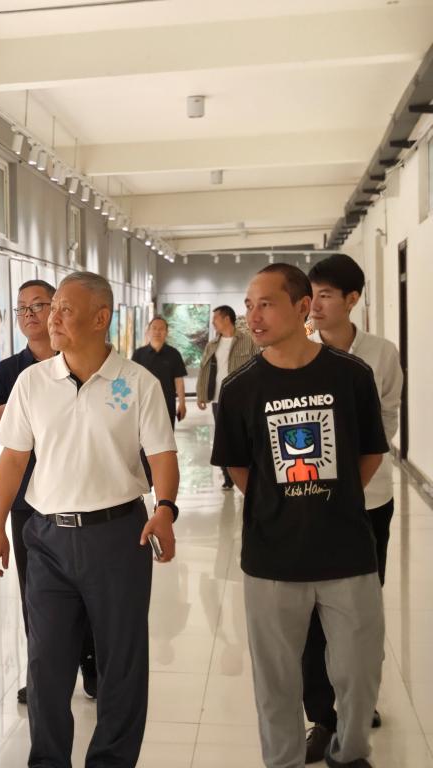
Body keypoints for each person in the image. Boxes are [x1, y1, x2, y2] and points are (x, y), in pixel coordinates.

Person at [0, 271, 179, 768]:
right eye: (50, 310)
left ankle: (111, 760)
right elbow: (12, 459)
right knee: (46, 664)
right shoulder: (32, 382)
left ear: (100, 317)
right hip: (47, 538)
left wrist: (164, 509)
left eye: (63, 309)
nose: (50, 318)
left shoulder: (137, 383)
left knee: (121, 662)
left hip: (119, 536)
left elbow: (162, 455)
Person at [211, 264, 387, 768]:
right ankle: (283, 760)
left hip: (347, 551)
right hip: (272, 557)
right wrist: (282, 502)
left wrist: (334, 496)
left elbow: (370, 452)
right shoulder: (240, 388)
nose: (253, 316)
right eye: (249, 306)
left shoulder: (351, 375)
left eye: (266, 304)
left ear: (302, 307)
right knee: (276, 680)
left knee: (358, 671)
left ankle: (349, 753)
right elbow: (239, 466)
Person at [300, 254, 402, 762]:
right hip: (311, 503)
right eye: (312, 295)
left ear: (352, 299)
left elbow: (387, 421)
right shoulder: (299, 350)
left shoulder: (381, 354)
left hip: (369, 501)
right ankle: (323, 716)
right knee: (312, 615)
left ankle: (360, 703)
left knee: (362, 612)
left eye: (325, 296)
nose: (315, 306)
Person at [0, 279, 97, 706]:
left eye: (38, 305)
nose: (30, 314)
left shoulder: (83, 360)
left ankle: (91, 664)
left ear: (57, 309)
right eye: (22, 308)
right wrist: (32, 401)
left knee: (86, 590)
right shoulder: (9, 371)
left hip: (81, 495)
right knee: (35, 592)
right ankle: (43, 673)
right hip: (27, 499)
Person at [197, 305, 256, 489]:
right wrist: (201, 394)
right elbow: (204, 369)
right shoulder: (212, 345)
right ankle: (228, 477)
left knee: (247, 435)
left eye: (215, 318)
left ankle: (251, 472)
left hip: (243, 397)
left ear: (226, 319)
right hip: (218, 399)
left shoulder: (248, 341)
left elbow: (258, 365)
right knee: (224, 437)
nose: (213, 322)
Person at [133, 316, 188, 428]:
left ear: (166, 332)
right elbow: (132, 379)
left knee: (167, 435)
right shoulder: (139, 354)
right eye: (154, 328)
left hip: (167, 404)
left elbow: (179, 380)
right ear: (148, 331)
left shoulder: (174, 354)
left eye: (161, 329)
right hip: (144, 404)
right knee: (143, 435)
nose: (157, 331)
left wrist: (182, 403)